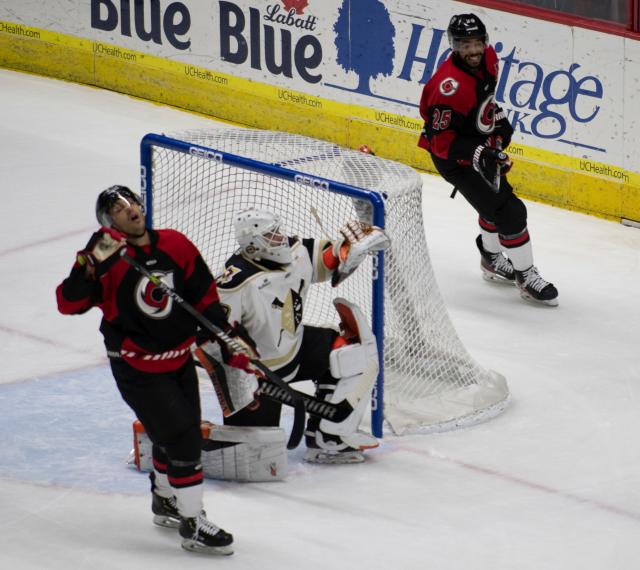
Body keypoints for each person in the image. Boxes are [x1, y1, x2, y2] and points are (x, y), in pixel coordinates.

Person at [56, 185, 251, 556]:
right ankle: (193, 524)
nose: (130, 210)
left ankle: (166, 501)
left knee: (178, 432)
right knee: (182, 440)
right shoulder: (106, 260)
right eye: (117, 207)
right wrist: (87, 267)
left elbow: (204, 298)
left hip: (178, 359)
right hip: (137, 367)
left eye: (132, 202)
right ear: (107, 221)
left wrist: (230, 338)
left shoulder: (176, 244)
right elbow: (68, 303)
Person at [212, 208, 389, 464]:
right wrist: (239, 371)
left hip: (295, 350)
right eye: (271, 236)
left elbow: (328, 259)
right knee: (254, 457)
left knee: (351, 353)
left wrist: (350, 249)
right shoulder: (235, 283)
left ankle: (328, 438)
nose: (280, 239)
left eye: (277, 231)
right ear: (253, 245)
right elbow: (213, 338)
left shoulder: (296, 252)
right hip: (260, 373)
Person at [417, 13, 558, 306]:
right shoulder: (449, 88)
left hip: (476, 141)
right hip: (454, 158)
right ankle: (526, 275)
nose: (473, 50)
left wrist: (496, 117)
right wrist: (480, 152)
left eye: (477, 42)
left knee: (493, 201)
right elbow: (441, 143)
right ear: (454, 46)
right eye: (465, 44)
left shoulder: (490, 58)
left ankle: (492, 259)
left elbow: (485, 98)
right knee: (511, 212)